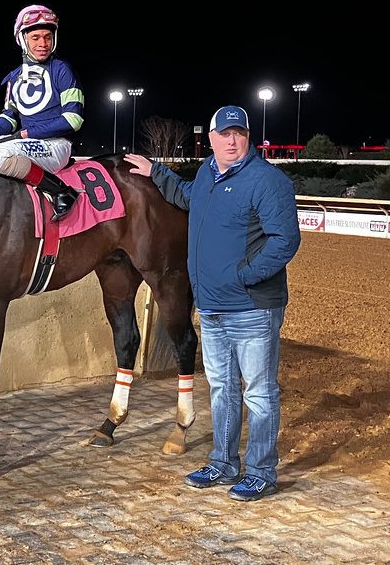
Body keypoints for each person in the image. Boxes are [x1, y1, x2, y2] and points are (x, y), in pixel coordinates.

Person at [123, 105, 300, 501]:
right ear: (212, 138)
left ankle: (261, 471)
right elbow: (188, 197)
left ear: (248, 136)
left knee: (259, 393)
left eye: (239, 133)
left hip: (253, 307)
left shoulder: (267, 181)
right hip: (212, 307)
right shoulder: (207, 172)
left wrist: (243, 276)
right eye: (225, 134)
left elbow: (285, 240)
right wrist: (157, 173)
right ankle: (223, 462)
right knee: (222, 388)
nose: (232, 141)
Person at [0, 4, 85, 221]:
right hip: (28, 143)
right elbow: (10, 117)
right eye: (35, 38)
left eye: (48, 37)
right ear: (23, 40)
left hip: (56, 146)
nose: (43, 43)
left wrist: (27, 133)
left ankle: (61, 191)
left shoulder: (62, 70)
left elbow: (74, 119)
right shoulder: (14, 77)